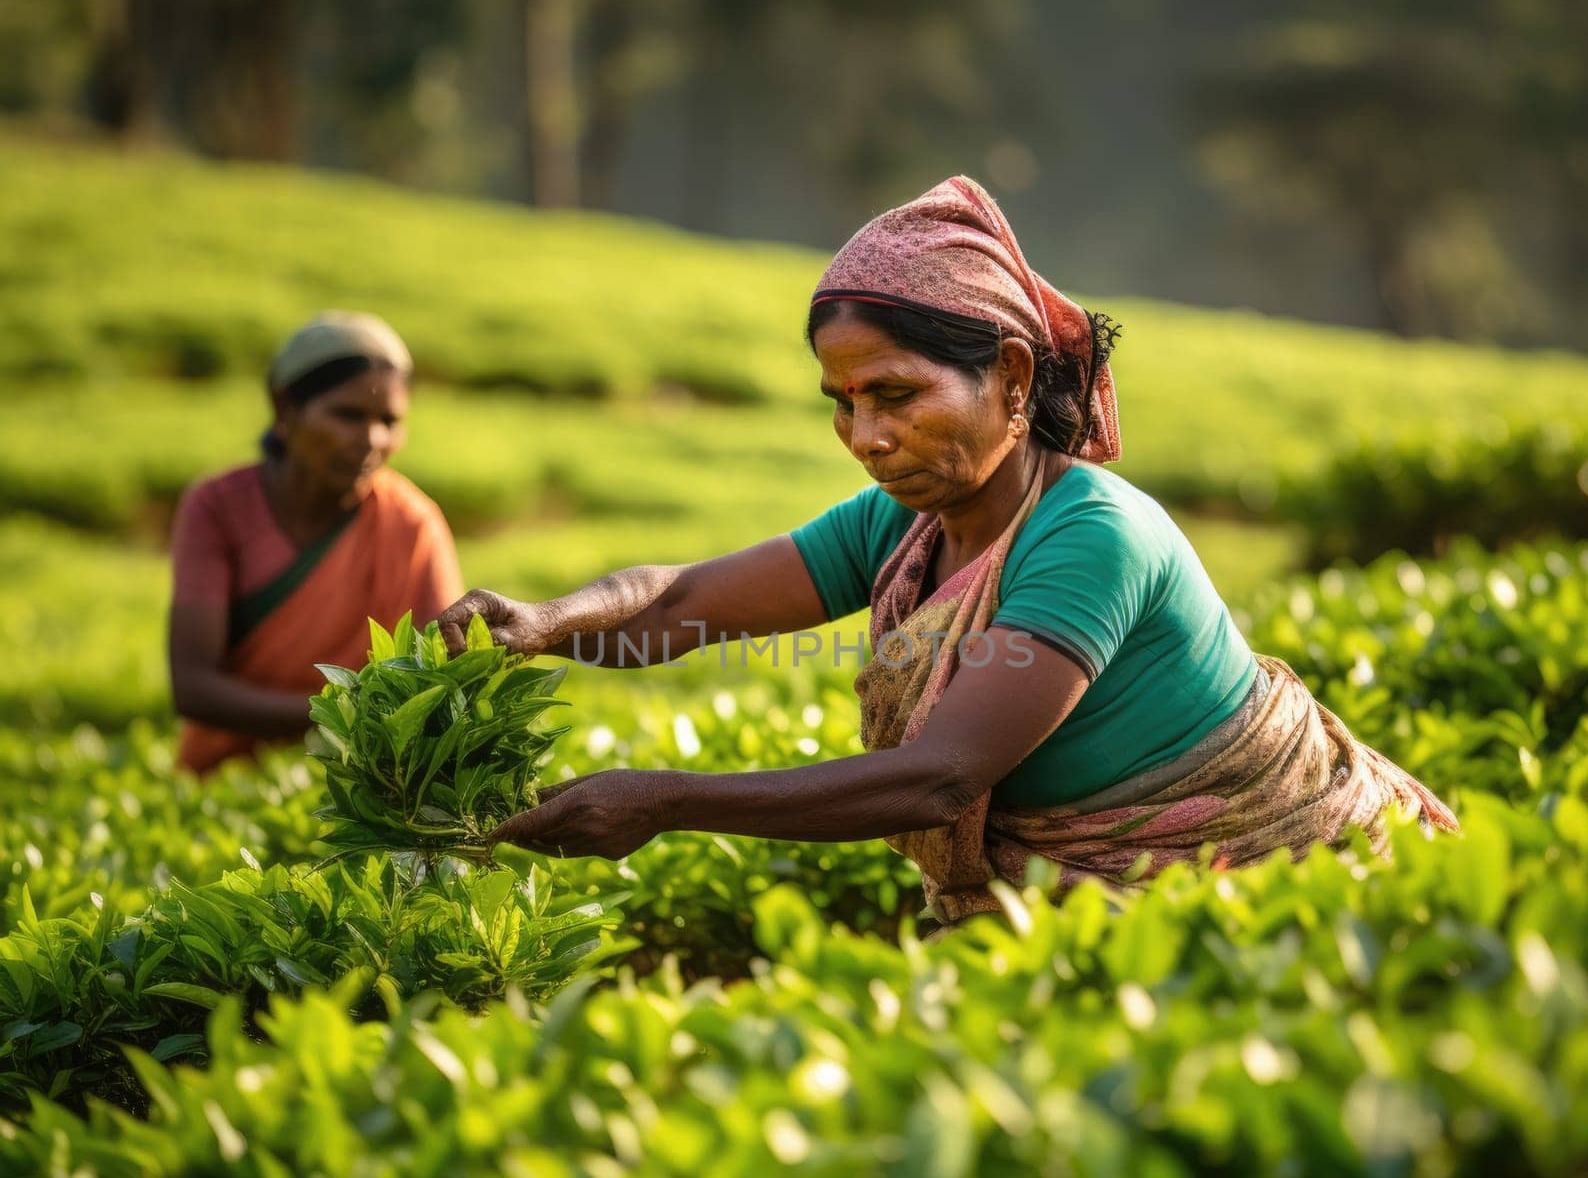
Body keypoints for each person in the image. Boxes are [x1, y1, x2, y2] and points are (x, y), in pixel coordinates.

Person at [438, 178, 1456, 930]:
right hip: (1077, 915)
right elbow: (680, 605)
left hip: (1289, 902)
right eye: (842, 403)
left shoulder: (1092, 535)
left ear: (1011, 377)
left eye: (895, 394)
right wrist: (544, 622)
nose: (865, 436)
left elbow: (937, 777)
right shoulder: (899, 524)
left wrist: (660, 799)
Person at [170, 311, 462, 775]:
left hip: (369, 782)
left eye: (390, 420)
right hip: (227, 778)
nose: (372, 439)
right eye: (348, 415)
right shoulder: (217, 508)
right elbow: (193, 686)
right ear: (286, 409)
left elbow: (444, 679)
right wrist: (348, 718)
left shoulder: (412, 524)